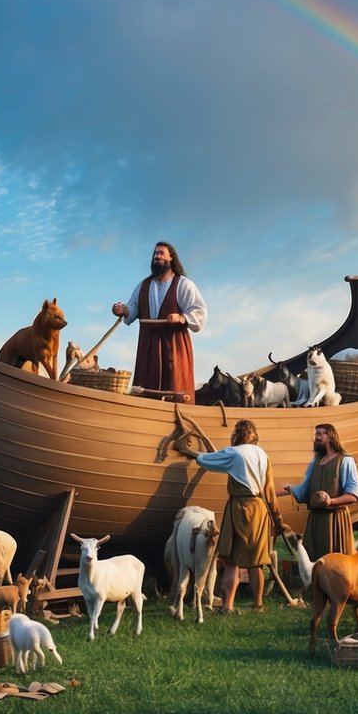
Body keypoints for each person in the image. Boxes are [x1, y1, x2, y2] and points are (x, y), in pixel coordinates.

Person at [190, 419, 278, 613]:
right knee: (257, 561)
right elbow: (269, 490)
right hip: (260, 509)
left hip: (238, 507)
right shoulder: (263, 455)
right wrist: (277, 519)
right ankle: (258, 605)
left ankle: (228, 606)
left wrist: (190, 453)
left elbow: (204, 460)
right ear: (254, 435)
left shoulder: (233, 453)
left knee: (231, 560)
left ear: (237, 434)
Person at [111, 241, 207, 401]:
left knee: (175, 387)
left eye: (161, 253)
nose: (157, 257)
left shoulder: (183, 284)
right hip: (148, 346)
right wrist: (123, 310)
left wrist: (182, 318)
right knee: (145, 388)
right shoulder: (144, 285)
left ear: (171, 258)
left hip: (173, 345)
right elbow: (133, 307)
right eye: (155, 254)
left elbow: (199, 310)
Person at [281, 424, 358, 562]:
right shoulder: (316, 461)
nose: (317, 437)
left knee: (335, 563)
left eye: (320, 434)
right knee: (314, 562)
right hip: (316, 520)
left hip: (335, 520)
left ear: (330, 436)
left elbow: (354, 494)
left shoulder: (345, 461)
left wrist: (331, 501)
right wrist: (275, 492)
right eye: (316, 434)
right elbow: (303, 490)